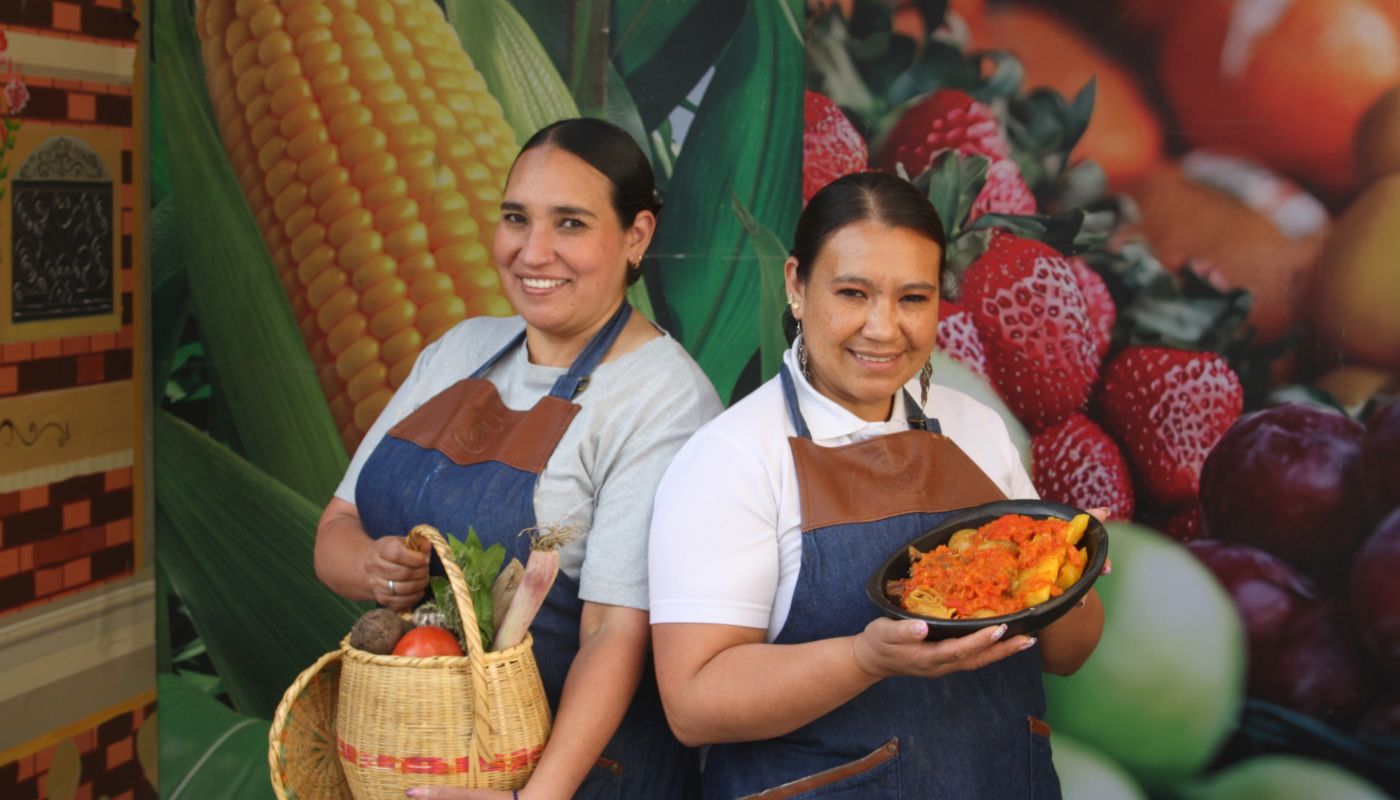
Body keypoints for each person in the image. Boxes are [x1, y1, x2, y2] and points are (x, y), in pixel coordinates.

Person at [648, 172, 1107, 799]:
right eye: (853, 293)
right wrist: (866, 659)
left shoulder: (977, 429)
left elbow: (1065, 655)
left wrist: (1065, 573)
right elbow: (694, 705)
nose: (884, 328)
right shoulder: (732, 458)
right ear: (796, 285)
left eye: (913, 299)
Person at [314, 118, 722, 800]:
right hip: (413, 765)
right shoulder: (458, 351)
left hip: (573, 777)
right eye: (516, 218)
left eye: (569, 224)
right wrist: (375, 570)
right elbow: (335, 530)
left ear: (637, 236)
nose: (534, 252)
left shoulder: (663, 400)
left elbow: (613, 633)